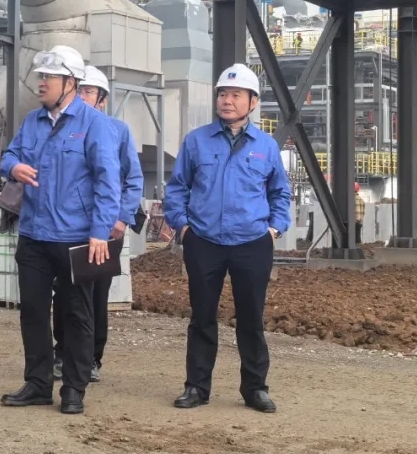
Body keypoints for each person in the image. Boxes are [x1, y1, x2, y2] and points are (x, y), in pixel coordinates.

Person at [0, 46, 121, 415]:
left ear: (70, 82)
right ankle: (38, 384)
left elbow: (108, 182)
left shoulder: (94, 124)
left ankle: (73, 389)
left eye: (49, 77)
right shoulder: (32, 121)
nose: (42, 83)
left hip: (76, 237)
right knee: (33, 312)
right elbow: (9, 155)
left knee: (76, 315)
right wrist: (13, 168)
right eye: (41, 76)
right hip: (34, 235)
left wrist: (99, 232)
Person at [163, 63, 291, 414]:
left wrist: (274, 229)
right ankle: (196, 387)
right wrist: (183, 228)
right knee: (202, 317)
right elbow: (177, 188)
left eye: (236, 95)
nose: (227, 101)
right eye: (222, 94)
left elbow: (280, 193)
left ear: (252, 102)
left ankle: (255, 388)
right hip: (204, 240)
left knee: (251, 318)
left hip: (252, 242)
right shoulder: (197, 141)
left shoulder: (266, 146)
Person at [52, 66, 144, 383]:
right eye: (79, 90)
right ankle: (62, 353)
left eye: (89, 92)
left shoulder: (117, 131)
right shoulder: (61, 126)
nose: (82, 96)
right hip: (67, 227)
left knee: (95, 295)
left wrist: (120, 218)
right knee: (63, 293)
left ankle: (91, 357)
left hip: (103, 229)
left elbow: (133, 179)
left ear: (102, 99)